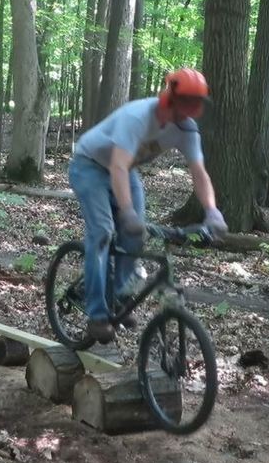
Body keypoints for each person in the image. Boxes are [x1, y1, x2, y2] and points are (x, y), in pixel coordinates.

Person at [69, 68, 227, 344]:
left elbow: (199, 173)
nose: (188, 113)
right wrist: (127, 212)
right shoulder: (138, 117)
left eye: (193, 107)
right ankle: (97, 315)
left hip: (124, 171)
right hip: (90, 165)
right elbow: (117, 165)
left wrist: (212, 212)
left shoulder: (187, 129)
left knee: (135, 236)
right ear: (170, 99)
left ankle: (118, 296)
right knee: (103, 232)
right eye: (185, 105)